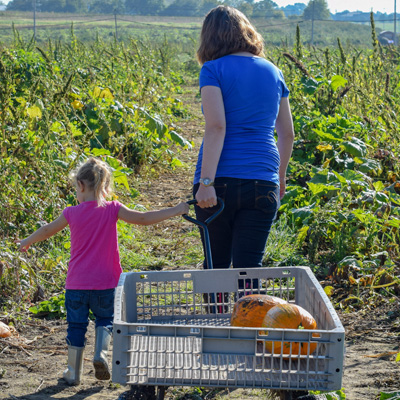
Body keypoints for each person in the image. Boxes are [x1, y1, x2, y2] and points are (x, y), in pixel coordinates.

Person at [17, 157, 189, 386]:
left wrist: (27, 241)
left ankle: (72, 372)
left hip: (77, 285)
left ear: (80, 185)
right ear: (104, 186)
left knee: (76, 326)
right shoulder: (112, 209)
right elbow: (144, 218)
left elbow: (48, 230)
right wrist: (177, 209)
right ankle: (101, 354)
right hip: (107, 283)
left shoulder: (71, 213)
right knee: (105, 320)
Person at [193, 6, 295, 287]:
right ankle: (247, 328)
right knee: (250, 269)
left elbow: (217, 126)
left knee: (216, 266)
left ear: (209, 38)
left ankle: (216, 327)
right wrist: (280, 178)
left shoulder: (212, 69)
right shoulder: (275, 71)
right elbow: (286, 134)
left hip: (220, 181)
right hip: (263, 181)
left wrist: (206, 182)